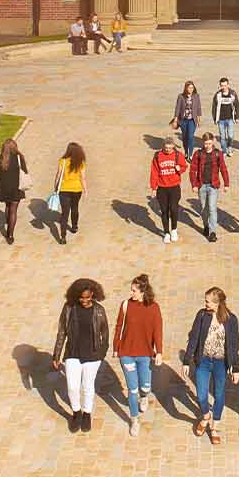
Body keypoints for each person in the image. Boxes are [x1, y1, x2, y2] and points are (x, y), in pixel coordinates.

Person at [180, 286, 239, 445]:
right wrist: (186, 360)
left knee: (219, 395)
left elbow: (234, 345)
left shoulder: (231, 320)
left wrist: (235, 368)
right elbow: (193, 338)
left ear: (217, 303)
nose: (205, 304)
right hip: (204, 361)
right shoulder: (202, 315)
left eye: (208, 301)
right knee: (201, 394)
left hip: (221, 363)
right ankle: (206, 416)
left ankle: (214, 427)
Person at [51, 277, 109, 433]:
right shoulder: (69, 308)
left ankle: (87, 414)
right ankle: (76, 412)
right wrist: (56, 355)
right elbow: (62, 332)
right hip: (73, 353)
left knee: (88, 387)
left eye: (88, 297)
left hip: (92, 355)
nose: (84, 300)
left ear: (93, 295)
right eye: (81, 297)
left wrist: (101, 354)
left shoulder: (99, 310)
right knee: (72, 387)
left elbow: (105, 334)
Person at [113, 274, 163, 436]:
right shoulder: (126, 305)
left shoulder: (154, 308)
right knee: (132, 389)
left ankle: (145, 396)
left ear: (143, 292)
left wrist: (159, 351)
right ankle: (134, 420)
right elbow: (119, 326)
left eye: (134, 290)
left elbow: (158, 331)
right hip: (126, 353)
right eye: (131, 290)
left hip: (145, 355)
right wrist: (116, 347)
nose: (131, 293)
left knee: (145, 386)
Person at [190, 131, 231, 242]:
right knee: (204, 209)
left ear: (213, 142)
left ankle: (213, 232)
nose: (207, 145)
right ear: (203, 143)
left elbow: (223, 169)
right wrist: (194, 184)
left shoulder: (218, 154)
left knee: (212, 208)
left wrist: (226, 183)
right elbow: (192, 170)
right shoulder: (198, 154)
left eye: (209, 143)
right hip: (201, 185)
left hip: (213, 185)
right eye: (205, 143)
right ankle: (206, 226)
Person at [149, 138, 187, 243]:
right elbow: (154, 172)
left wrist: (180, 169)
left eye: (170, 148)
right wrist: (153, 188)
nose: (168, 150)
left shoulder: (178, 155)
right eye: (166, 148)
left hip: (174, 186)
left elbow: (184, 166)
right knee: (164, 211)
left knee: (174, 209)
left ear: (173, 147)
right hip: (162, 188)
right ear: (163, 147)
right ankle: (166, 232)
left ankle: (174, 229)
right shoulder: (158, 156)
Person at [0, 138, 27, 245]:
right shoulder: (19, 157)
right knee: (13, 210)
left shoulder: (1, 158)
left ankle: (8, 223)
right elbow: (25, 171)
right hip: (16, 188)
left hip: (4, 188)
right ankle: (10, 234)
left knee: (8, 206)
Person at [55, 142, 87, 244]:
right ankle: (74, 226)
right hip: (77, 189)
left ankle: (63, 236)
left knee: (65, 213)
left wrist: (55, 187)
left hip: (64, 189)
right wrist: (85, 190)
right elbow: (83, 178)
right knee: (75, 207)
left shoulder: (62, 161)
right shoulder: (80, 163)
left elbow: (58, 175)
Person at [171, 80, 203, 158]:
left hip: (192, 120)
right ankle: (186, 151)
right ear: (186, 88)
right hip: (183, 120)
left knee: (190, 136)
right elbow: (177, 108)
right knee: (185, 137)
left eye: (192, 88)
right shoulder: (181, 96)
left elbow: (198, 108)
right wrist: (175, 120)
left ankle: (191, 154)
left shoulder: (196, 96)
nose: (191, 89)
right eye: (189, 88)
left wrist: (199, 120)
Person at [210, 77, 239, 149]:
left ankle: (229, 147)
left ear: (228, 85)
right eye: (222, 85)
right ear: (220, 86)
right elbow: (214, 107)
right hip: (221, 119)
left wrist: (237, 117)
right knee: (222, 137)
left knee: (230, 135)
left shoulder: (233, 93)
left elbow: (237, 106)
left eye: (225, 85)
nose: (224, 87)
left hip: (230, 118)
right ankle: (224, 150)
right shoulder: (218, 94)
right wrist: (214, 118)